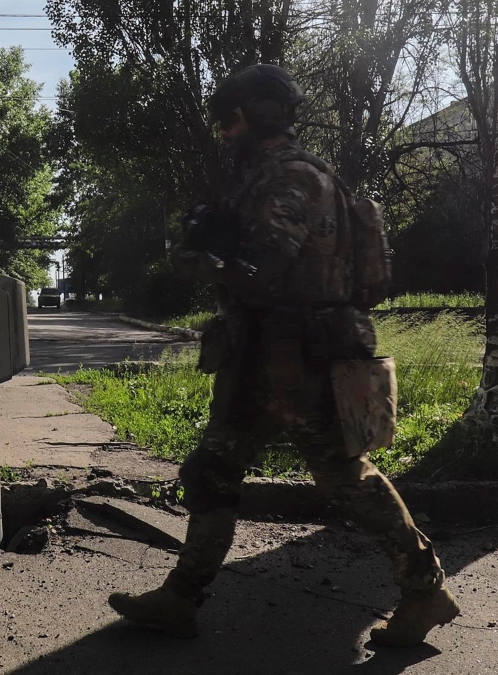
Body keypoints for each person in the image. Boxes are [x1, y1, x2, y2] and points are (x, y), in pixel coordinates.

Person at [106, 64, 459, 647]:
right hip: (264, 356)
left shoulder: (294, 177)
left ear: (261, 117)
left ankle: (425, 590)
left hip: (301, 361)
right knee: (214, 470)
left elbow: (264, 274)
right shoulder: (271, 176)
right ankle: (180, 597)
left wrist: (203, 257)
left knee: (345, 480)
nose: (223, 133)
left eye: (231, 121)